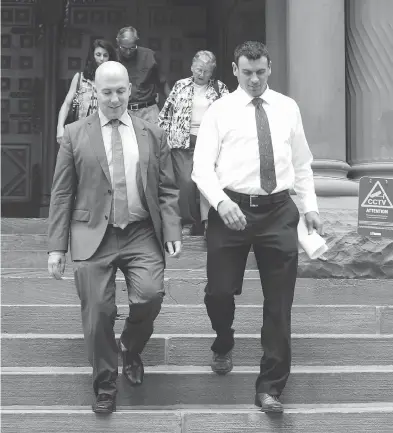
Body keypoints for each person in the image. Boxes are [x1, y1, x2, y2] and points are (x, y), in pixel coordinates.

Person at [192, 41, 323, 413]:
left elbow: (302, 163)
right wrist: (220, 202)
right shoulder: (219, 110)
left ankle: (270, 388)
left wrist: (309, 206)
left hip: (279, 211)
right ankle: (223, 340)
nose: (254, 79)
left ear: (270, 69)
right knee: (218, 292)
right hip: (230, 208)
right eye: (247, 72)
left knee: (279, 305)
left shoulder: (287, 108)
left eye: (260, 72)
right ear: (234, 70)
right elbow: (201, 167)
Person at [47, 61, 182, 414]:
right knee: (99, 312)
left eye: (121, 91)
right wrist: (56, 247)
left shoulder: (151, 133)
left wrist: (171, 229)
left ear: (129, 89)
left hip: (140, 232)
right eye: (106, 92)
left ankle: (131, 347)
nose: (114, 99)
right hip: (93, 233)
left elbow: (167, 188)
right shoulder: (76, 134)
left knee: (150, 296)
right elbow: (62, 194)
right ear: (95, 91)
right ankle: (105, 383)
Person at [158, 50, 229, 236]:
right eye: (199, 69)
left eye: (206, 71)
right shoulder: (180, 86)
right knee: (186, 182)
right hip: (182, 141)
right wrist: (162, 138)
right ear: (192, 67)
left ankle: (208, 223)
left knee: (209, 180)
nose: (202, 74)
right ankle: (188, 222)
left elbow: (229, 115)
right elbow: (165, 114)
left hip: (209, 142)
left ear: (212, 72)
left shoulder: (219, 89)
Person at [56, 39, 117, 144]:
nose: (101, 59)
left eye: (105, 55)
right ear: (92, 56)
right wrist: (59, 128)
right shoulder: (80, 78)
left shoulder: (114, 80)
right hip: (81, 133)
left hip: (105, 135)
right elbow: (67, 104)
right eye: (98, 54)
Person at [116, 26, 171, 125]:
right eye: (124, 48)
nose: (128, 52)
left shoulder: (149, 55)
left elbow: (162, 82)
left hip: (149, 111)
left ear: (137, 42)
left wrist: (172, 106)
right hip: (122, 111)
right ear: (118, 42)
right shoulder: (112, 57)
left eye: (132, 48)